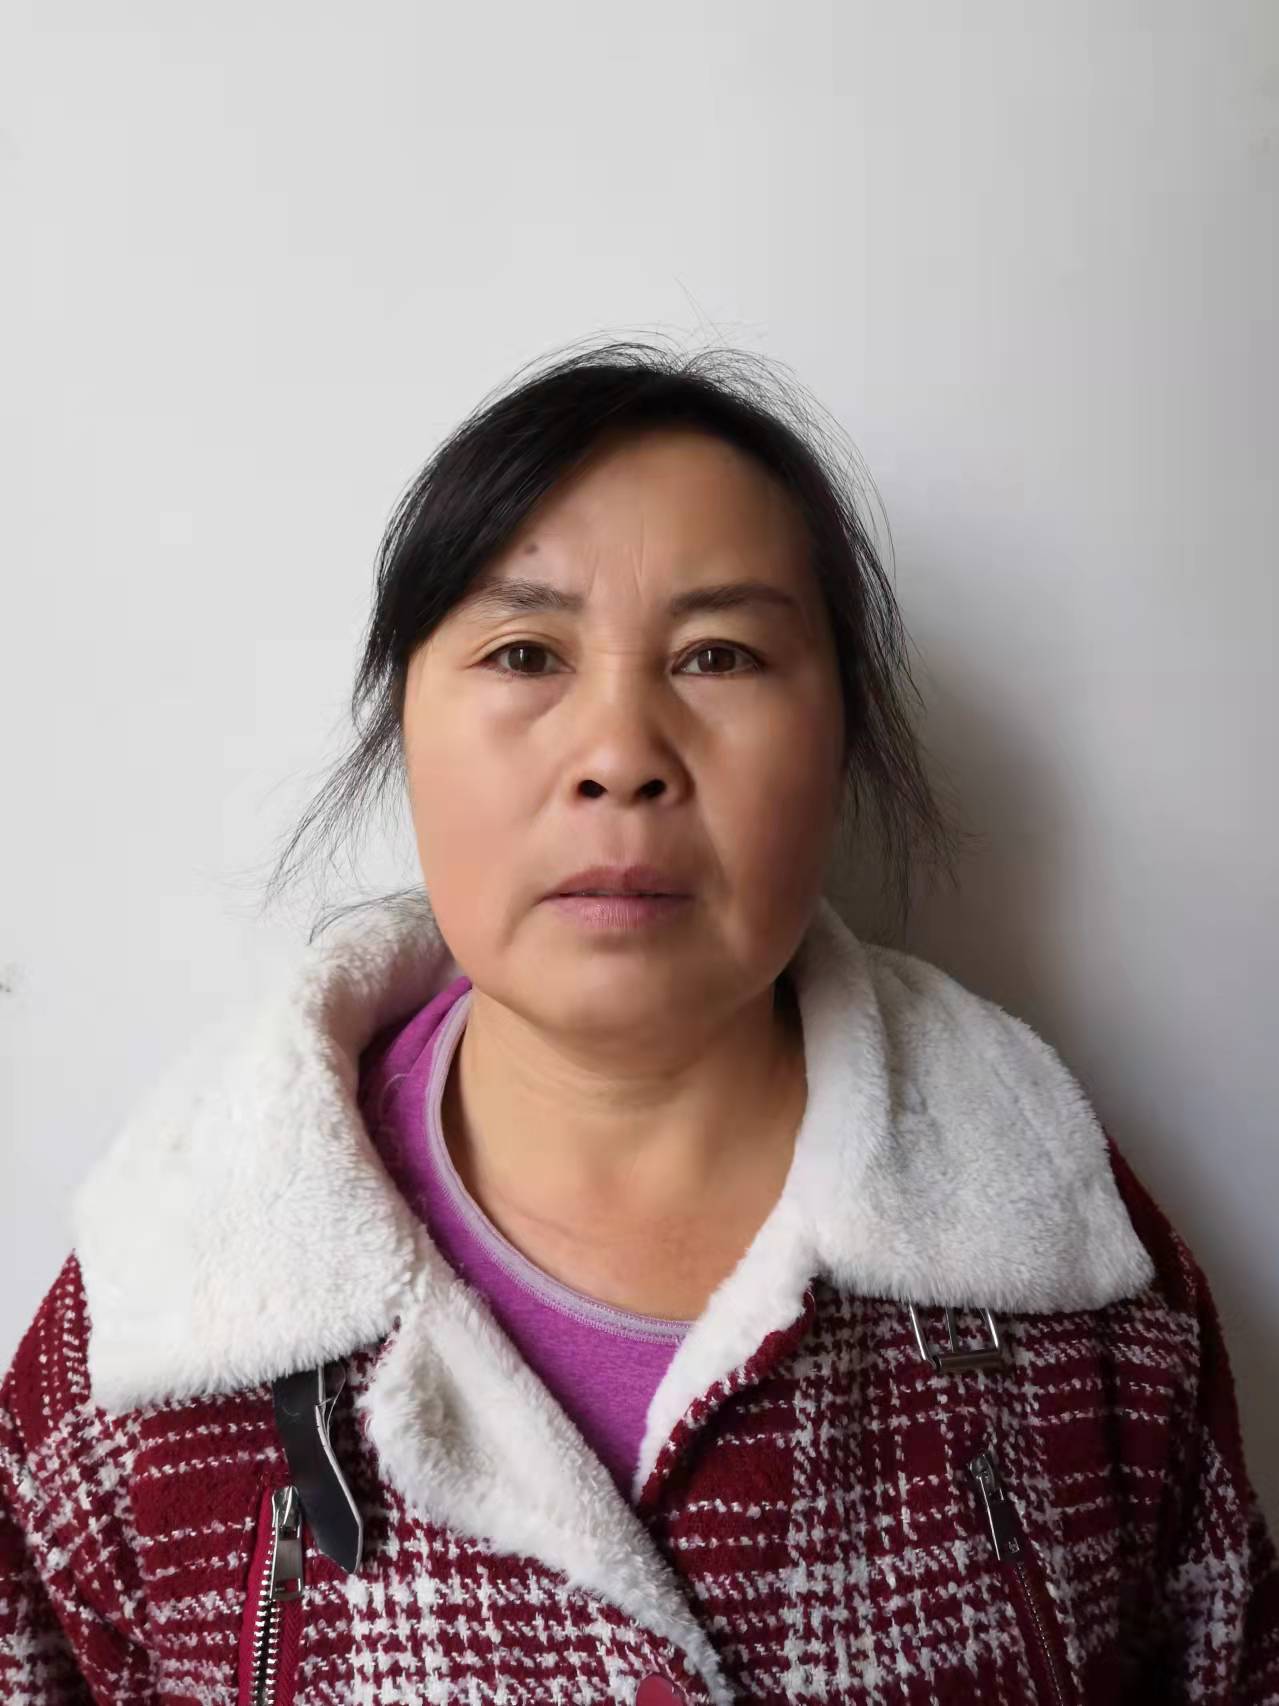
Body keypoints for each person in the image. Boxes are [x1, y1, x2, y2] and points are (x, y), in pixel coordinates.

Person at [2, 339, 1275, 1706]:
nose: (620, 755)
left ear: (841, 741)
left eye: (719, 654)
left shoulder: (1083, 1285)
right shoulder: (157, 1322)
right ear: (404, 729)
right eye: (524, 653)